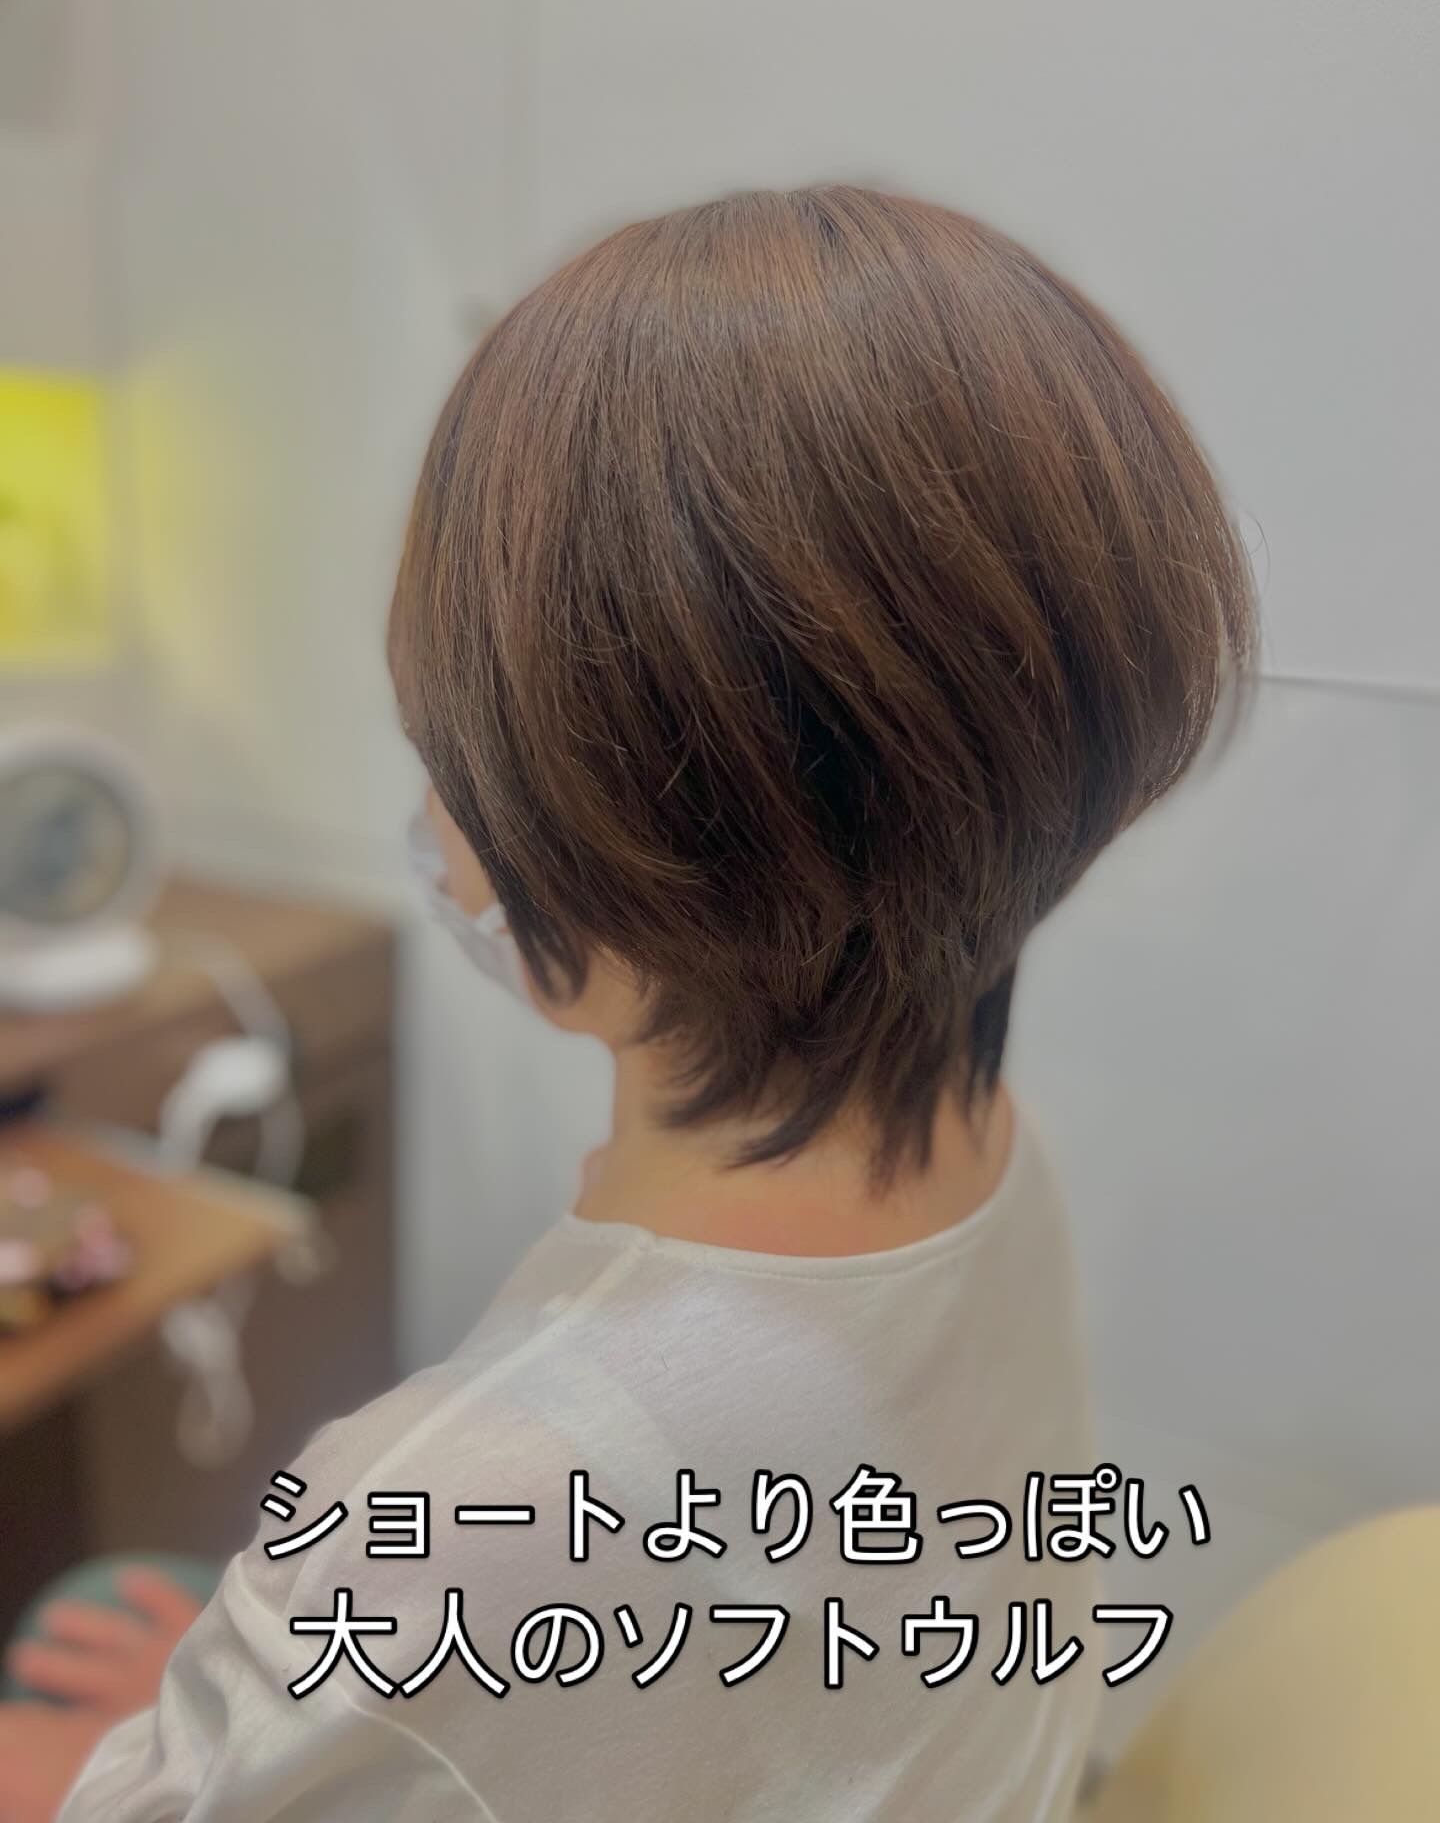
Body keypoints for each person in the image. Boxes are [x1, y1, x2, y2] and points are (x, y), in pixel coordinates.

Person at [2, 186, 1255, 1821]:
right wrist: (263, 1708)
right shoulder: (993, 1154)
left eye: (445, 751)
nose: (435, 819)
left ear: (604, 848)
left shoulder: (464, 1516)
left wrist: (217, 1728)